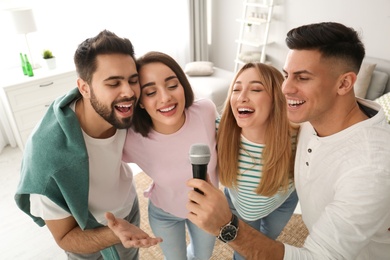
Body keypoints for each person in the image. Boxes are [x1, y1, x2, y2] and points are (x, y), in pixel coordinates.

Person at [186, 21, 390, 259]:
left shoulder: (369, 167)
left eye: (302, 78)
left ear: (344, 83)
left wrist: (227, 226)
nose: (284, 88)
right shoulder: (307, 118)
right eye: (286, 75)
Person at [14, 30, 162, 260]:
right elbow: (64, 237)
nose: (129, 92)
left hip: (127, 206)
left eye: (133, 80)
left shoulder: (126, 110)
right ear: (84, 88)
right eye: (113, 83)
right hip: (84, 232)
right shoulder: (49, 157)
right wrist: (113, 233)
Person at [118, 51, 219, 260]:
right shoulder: (131, 137)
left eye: (172, 85)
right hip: (165, 213)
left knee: (203, 257)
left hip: (206, 211)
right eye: (151, 92)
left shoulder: (206, 112)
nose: (165, 98)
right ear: (140, 102)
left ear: (183, 86)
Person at [216, 62, 299, 260]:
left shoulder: (299, 134)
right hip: (240, 206)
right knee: (245, 252)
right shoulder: (219, 131)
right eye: (236, 89)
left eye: (255, 89)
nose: (242, 97)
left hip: (284, 200)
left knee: (266, 243)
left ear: (277, 99)